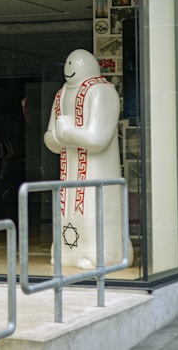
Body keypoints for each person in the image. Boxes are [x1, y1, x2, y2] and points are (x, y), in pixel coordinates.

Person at [43, 48, 129, 270]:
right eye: (68, 63)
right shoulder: (61, 94)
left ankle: (99, 254)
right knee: (69, 211)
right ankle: (67, 252)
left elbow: (98, 138)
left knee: (92, 209)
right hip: (70, 170)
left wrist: (67, 133)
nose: (70, 67)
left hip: (97, 169)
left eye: (75, 63)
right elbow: (50, 138)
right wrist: (59, 136)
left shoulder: (102, 92)